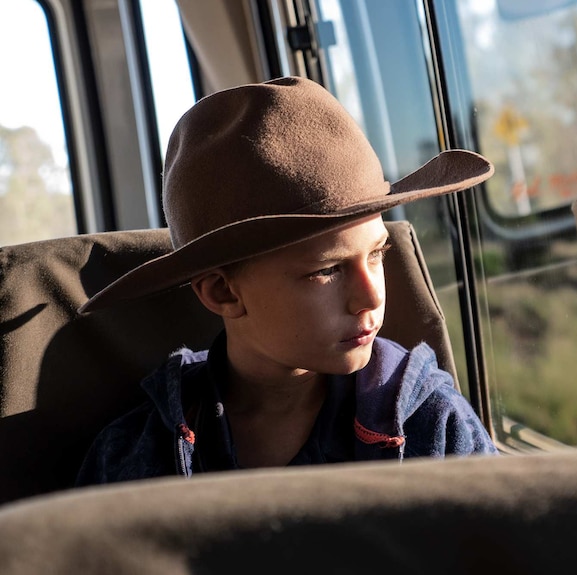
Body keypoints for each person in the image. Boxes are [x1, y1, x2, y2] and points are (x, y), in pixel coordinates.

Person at [76, 77, 497, 485]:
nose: (370, 297)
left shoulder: (431, 425)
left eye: (378, 253)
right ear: (222, 292)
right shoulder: (134, 458)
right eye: (327, 270)